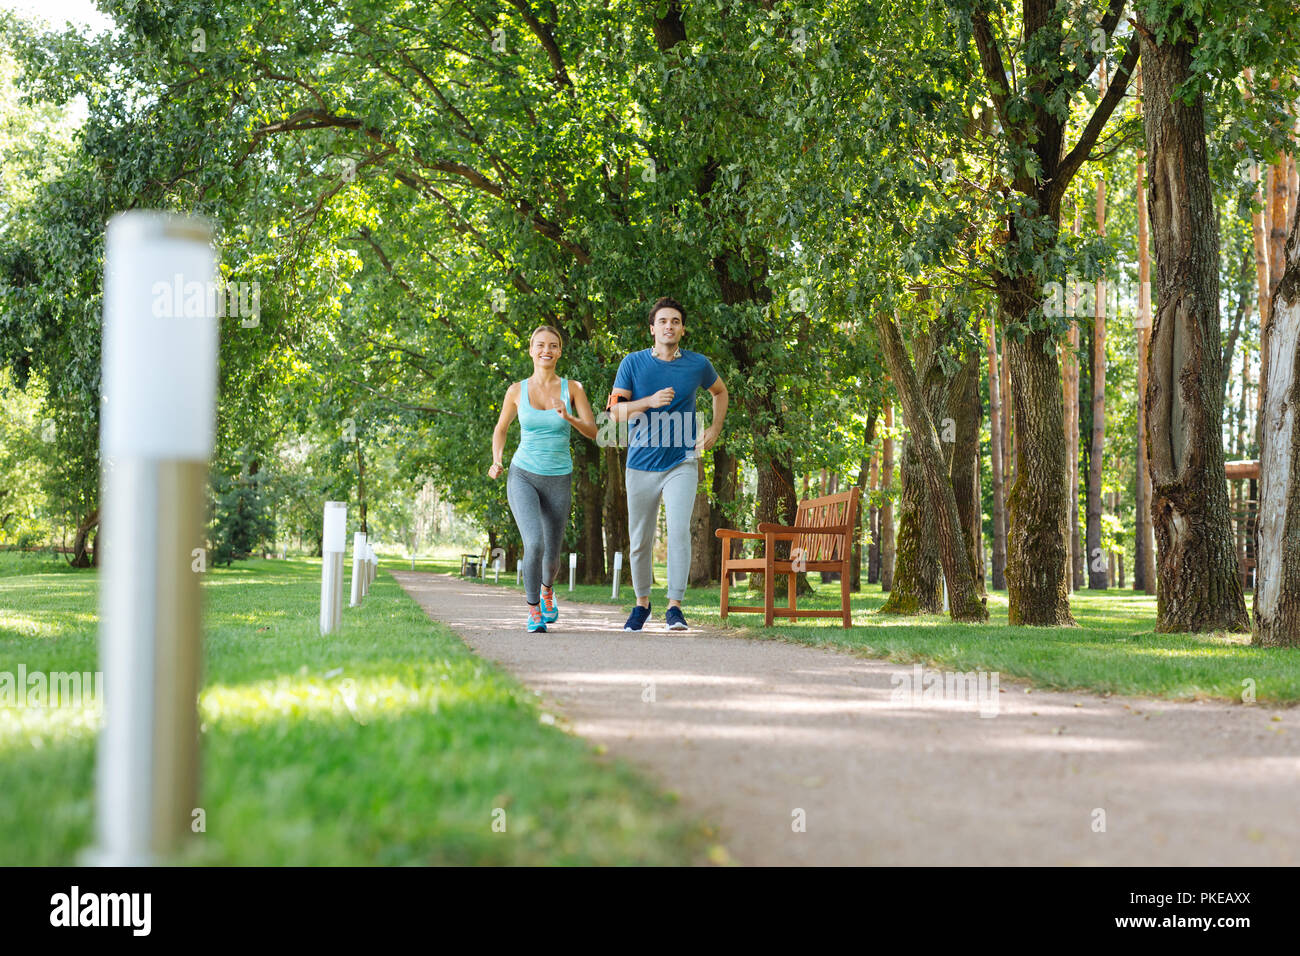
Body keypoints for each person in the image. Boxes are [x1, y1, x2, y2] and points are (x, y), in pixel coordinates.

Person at [608, 297, 728, 632]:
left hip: (681, 461)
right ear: (652, 328)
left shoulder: (698, 364)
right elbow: (614, 413)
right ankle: (641, 605)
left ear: (682, 329)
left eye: (675, 321)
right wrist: (647, 402)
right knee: (641, 538)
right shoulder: (632, 363)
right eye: (663, 321)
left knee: (678, 532)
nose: (669, 326)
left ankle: (675, 607)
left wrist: (715, 428)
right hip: (641, 464)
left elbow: (721, 392)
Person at [489, 325, 597, 632]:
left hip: (558, 477)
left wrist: (569, 417)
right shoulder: (516, 390)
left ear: (559, 351)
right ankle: (533, 609)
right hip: (522, 474)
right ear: (531, 350)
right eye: (540, 345)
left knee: (552, 555)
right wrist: (497, 460)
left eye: (552, 345)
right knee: (533, 543)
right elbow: (501, 429)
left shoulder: (572, 388)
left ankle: (548, 590)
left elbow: (593, 432)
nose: (546, 350)